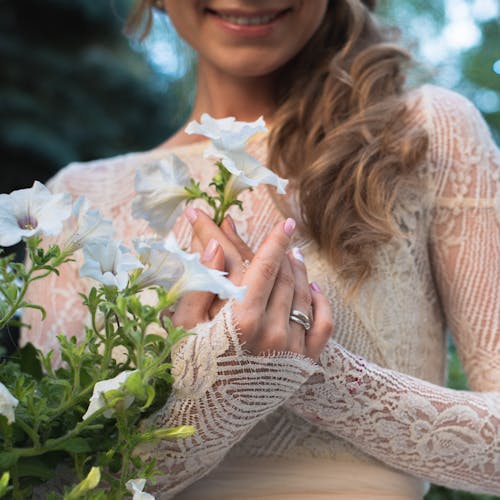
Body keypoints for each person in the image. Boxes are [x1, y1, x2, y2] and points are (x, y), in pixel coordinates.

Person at [22, 0, 500, 498]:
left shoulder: (422, 132)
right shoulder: (70, 201)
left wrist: (317, 376)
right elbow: (52, 480)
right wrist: (220, 390)